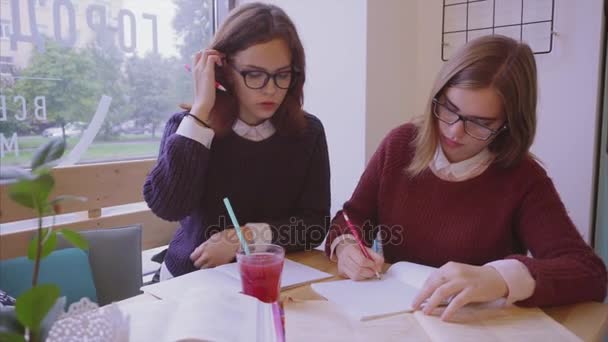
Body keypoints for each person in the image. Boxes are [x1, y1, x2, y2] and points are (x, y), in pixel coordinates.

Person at [325, 35, 607, 321]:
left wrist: (499, 277)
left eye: (480, 123)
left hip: (471, 328)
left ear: (509, 125)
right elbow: (350, 218)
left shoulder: (523, 178)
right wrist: (346, 247)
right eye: (449, 108)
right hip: (395, 318)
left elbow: (590, 273)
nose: (454, 132)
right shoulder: (400, 145)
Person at [144, 2, 330, 280]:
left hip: (270, 278)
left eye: (282, 75)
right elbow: (168, 207)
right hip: (192, 280)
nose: (271, 89)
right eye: (254, 74)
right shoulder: (189, 127)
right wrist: (201, 110)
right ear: (224, 69)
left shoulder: (308, 133)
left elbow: (314, 224)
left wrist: (244, 237)